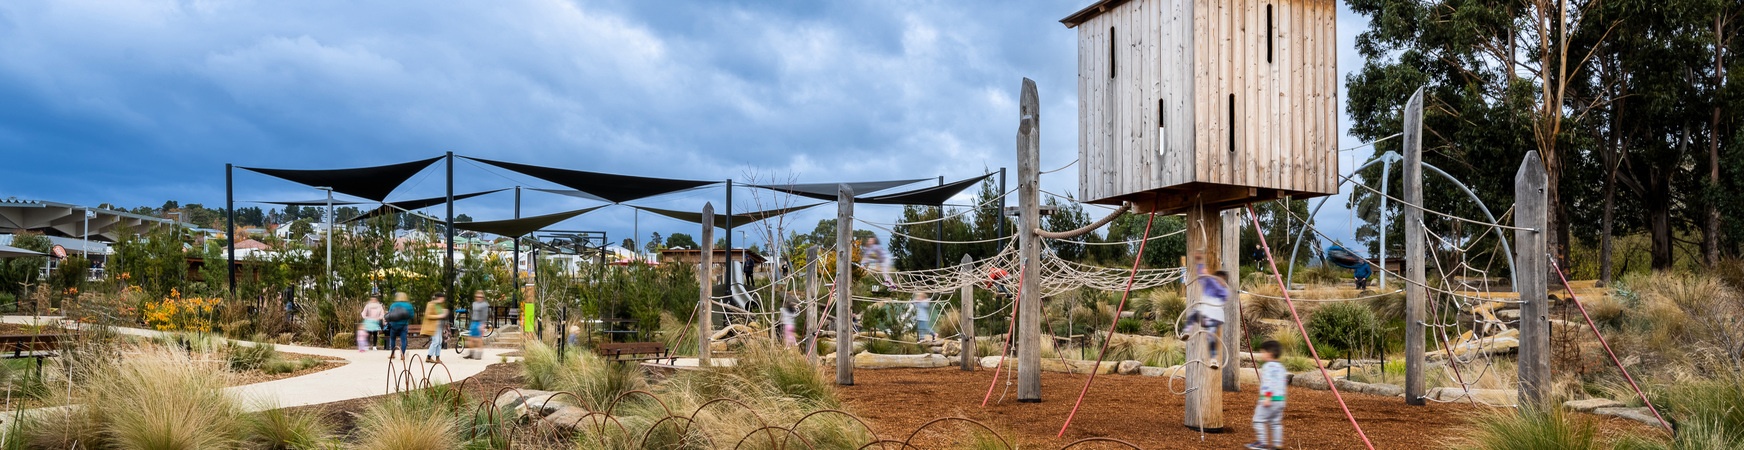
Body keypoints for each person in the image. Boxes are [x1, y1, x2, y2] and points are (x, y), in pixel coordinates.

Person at [1180, 251, 1228, 369]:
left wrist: (1209, 276)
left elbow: (1218, 288)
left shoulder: (1224, 291)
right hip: (1205, 313)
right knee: (1194, 314)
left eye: (1222, 280)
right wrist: (1199, 262)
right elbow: (1201, 275)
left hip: (1214, 316)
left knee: (1210, 337)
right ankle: (1186, 331)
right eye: (1218, 279)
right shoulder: (1209, 284)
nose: (1220, 281)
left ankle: (1213, 359)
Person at [1247, 340, 1288, 450]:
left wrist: (1267, 397)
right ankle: (1277, 443)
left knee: (1258, 420)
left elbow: (1269, 382)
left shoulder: (1268, 367)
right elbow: (1282, 383)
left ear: (1269, 353)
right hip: (1280, 400)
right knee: (1275, 423)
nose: (1261, 355)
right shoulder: (1281, 368)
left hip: (1269, 399)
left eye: (1262, 352)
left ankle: (1262, 443)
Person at [384, 292, 416, 360]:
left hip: (393, 325)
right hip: (403, 325)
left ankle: (392, 354)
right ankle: (402, 355)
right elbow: (412, 315)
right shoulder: (408, 305)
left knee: (392, 339)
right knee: (403, 340)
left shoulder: (393, 305)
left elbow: (390, 314)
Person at [421, 294, 449, 363]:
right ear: (438, 298)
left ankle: (437, 357)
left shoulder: (440, 306)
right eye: (442, 298)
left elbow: (441, 315)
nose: (443, 300)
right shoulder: (430, 304)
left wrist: (444, 312)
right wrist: (439, 316)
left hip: (439, 326)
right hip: (433, 326)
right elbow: (428, 315)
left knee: (439, 342)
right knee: (436, 341)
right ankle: (429, 357)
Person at [465, 291, 491, 360]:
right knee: (470, 338)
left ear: (483, 297)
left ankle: (479, 354)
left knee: (478, 339)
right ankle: (471, 353)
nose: (479, 298)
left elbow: (485, 315)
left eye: (480, 297)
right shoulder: (474, 304)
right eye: (477, 297)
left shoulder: (484, 305)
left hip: (480, 322)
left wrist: (483, 324)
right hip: (473, 321)